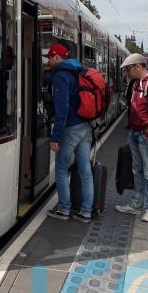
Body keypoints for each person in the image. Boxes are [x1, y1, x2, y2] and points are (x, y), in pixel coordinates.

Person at [45, 43, 93, 223]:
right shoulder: (78, 70)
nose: (48, 61)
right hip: (85, 126)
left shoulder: (60, 76)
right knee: (85, 170)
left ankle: (64, 209)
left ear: (56, 56)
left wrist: (55, 136)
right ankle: (86, 212)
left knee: (61, 168)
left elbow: (62, 108)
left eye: (49, 57)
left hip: (71, 128)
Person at [115, 53, 148, 223]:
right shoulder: (137, 83)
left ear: (138, 66)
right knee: (137, 170)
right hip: (136, 133)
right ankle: (136, 204)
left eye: (128, 69)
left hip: (146, 134)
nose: (127, 73)